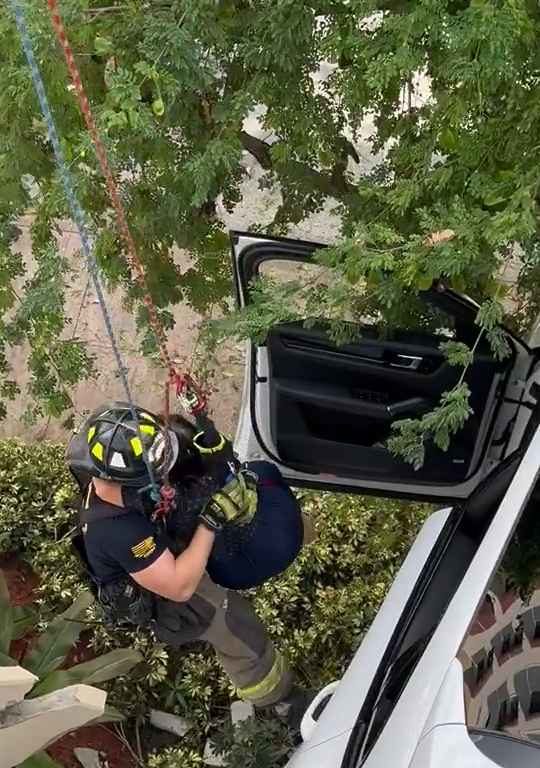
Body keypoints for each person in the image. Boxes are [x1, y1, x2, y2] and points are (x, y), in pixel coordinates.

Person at [67, 401, 309, 720]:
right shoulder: (118, 532)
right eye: (157, 474)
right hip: (170, 588)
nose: (165, 475)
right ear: (131, 481)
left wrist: (207, 450)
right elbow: (180, 586)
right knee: (239, 632)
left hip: (167, 539)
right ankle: (278, 701)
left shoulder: (113, 438)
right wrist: (212, 520)